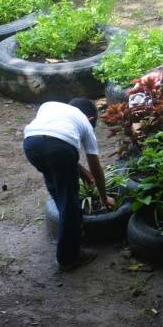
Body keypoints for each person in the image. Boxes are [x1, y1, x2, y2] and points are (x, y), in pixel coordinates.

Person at [23, 98, 115, 271]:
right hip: (58, 149)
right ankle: (68, 258)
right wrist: (104, 198)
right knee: (70, 205)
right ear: (90, 119)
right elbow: (95, 167)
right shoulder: (86, 124)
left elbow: (49, 140)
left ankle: (71, 227)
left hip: (31, 145)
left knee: (58, 192)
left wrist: (85, 175)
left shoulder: (49, 105)